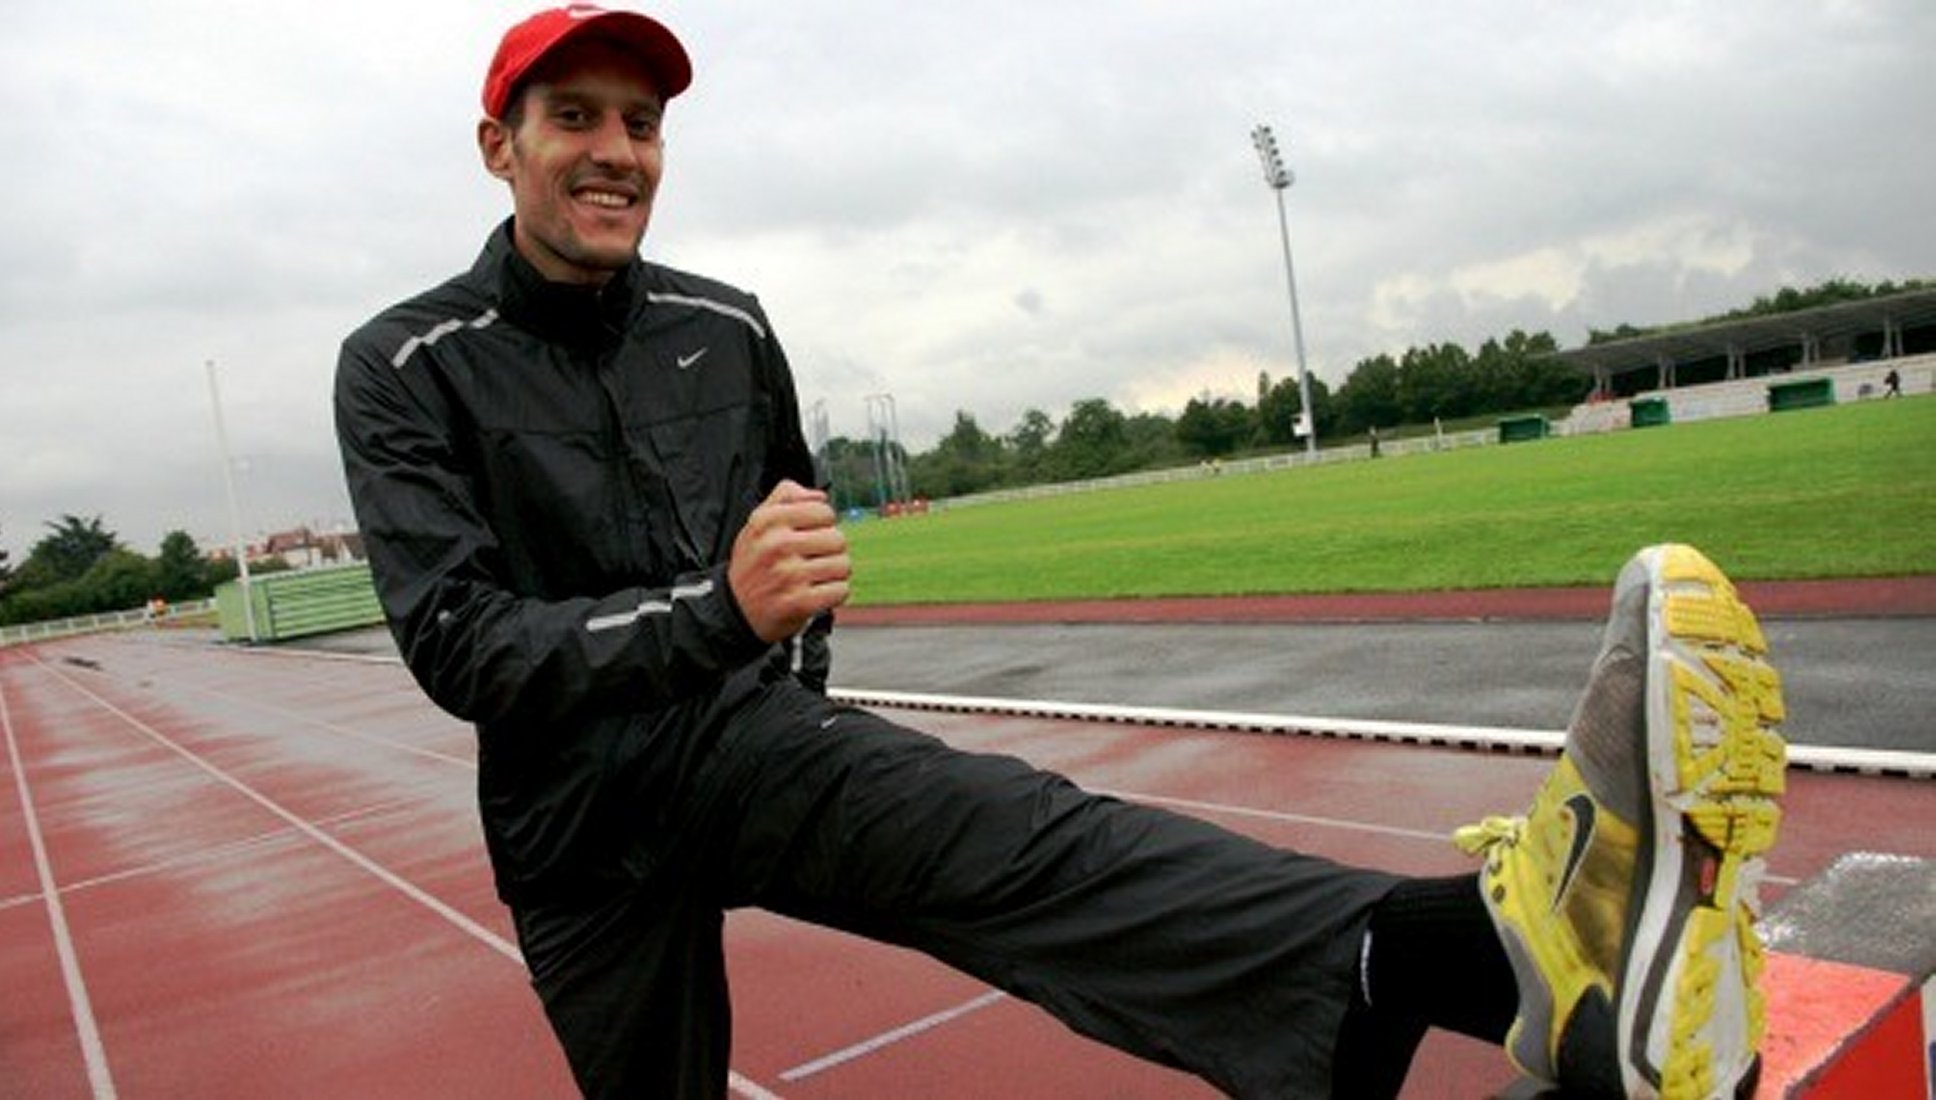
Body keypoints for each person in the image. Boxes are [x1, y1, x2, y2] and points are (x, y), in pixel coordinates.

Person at [334, 8, 1787, 1097]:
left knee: (1026, 841)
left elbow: (802, 522)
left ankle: (1502, 955)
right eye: (576, 116)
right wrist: (720, 613)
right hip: (573, 832)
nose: (617, 152)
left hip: (739, 742)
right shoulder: (403, 363)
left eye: (642, 123)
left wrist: (793, 698)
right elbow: (459, 641)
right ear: (499, 145)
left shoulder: (723, 321)